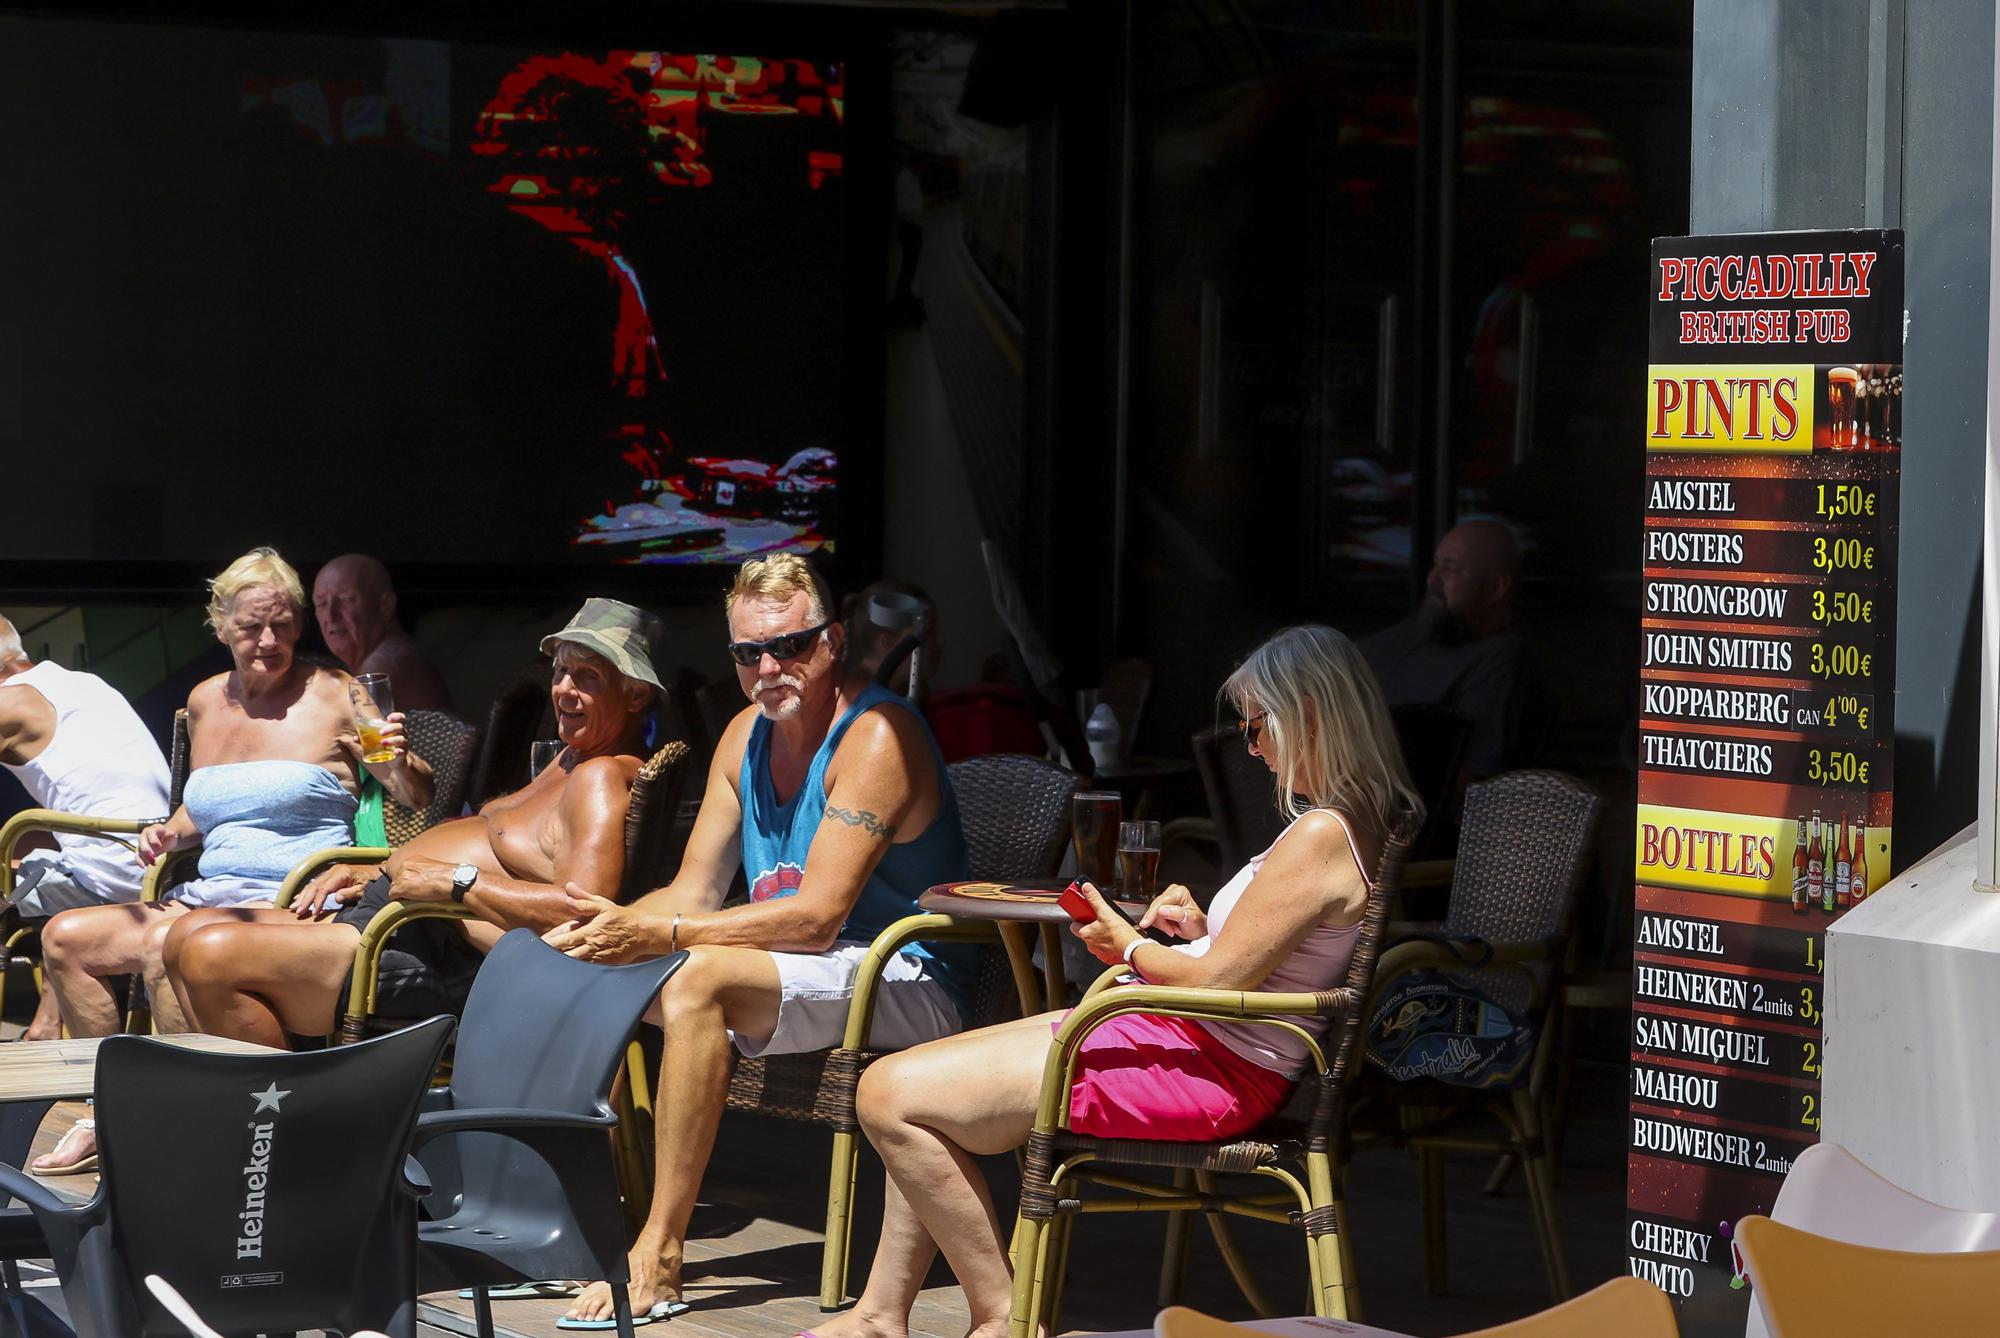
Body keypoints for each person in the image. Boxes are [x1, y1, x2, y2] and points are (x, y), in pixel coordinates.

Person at [812, 625, 1418, 1338]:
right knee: (912, 1084)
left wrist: (1126, 945)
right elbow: (1257, 958)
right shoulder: (1355, 819)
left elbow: (1223, 984)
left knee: (888, 1096)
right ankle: (881, 1314)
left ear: (1310, 712)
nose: (1253, 748)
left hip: (1209, 1066)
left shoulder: (1321, 831)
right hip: (1188, 1037)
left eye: (1259, 726)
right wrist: (1202, 930)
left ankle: (1003, 1321)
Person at [550, 554, 977, 1329]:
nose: (770, 668)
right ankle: (570, 1221)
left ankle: (661, 1251)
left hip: (908, 971)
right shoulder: (743, 734)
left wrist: (663, 934)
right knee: (584, 972)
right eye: (749, 653)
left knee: (695, 979)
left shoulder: (876, 735)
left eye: (794, 646)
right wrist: (608, 932)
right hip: (799, 965)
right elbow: (692, 892)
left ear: (835, 639)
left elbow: (817, 917)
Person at [30, 547, 432, 1174]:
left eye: (282, 624)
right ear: (221, 628)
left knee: (167, 944)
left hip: (290, 899)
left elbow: (414, 796)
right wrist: (171, 833)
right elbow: (210, 805)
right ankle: (103, 1109)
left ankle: (190, 1128)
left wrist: (395, 764)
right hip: (210, 890)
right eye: (250, 627)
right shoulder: (204, 701)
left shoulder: (336, 694)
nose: (269, 641)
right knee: (65, 939)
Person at [163, 598, 662, 1049]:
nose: (564, 690)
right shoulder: (572, 757)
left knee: (209, 953)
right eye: (560, 672)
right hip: (396, 917)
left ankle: (275, 1128)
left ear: (636, 695)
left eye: (588, 677)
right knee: (184, 936)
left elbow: (588, 920)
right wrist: (378, 870)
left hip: (423, 947)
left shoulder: (599, 776)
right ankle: (245, 1111)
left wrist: (455, 882)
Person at [0, 616, 173, 1040]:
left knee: (17, 867)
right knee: (33, 846)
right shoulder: (81, 682)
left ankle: (51, 1031)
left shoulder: (10, 704)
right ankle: (45, 1024)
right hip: (162, 860)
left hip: (116, 877)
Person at [1359, 518, 1553, 779]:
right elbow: (1339, 662)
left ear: (1496, 587)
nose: (1432, 579)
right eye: (1435, 565)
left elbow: (1468, 778)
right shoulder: (1418, 632)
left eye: (1450, 570)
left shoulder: (1503, 660)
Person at [311, 553, 452, 711]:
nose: (331, 616)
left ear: (386, 605)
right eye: (322, 603)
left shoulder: (383, 666)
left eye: (347, 599)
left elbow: (343, 732)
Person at [841, 578, 939, 698]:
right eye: (927, 633)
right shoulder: (854, 701)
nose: (940, 641)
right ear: (886, 642)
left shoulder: (917, 694)